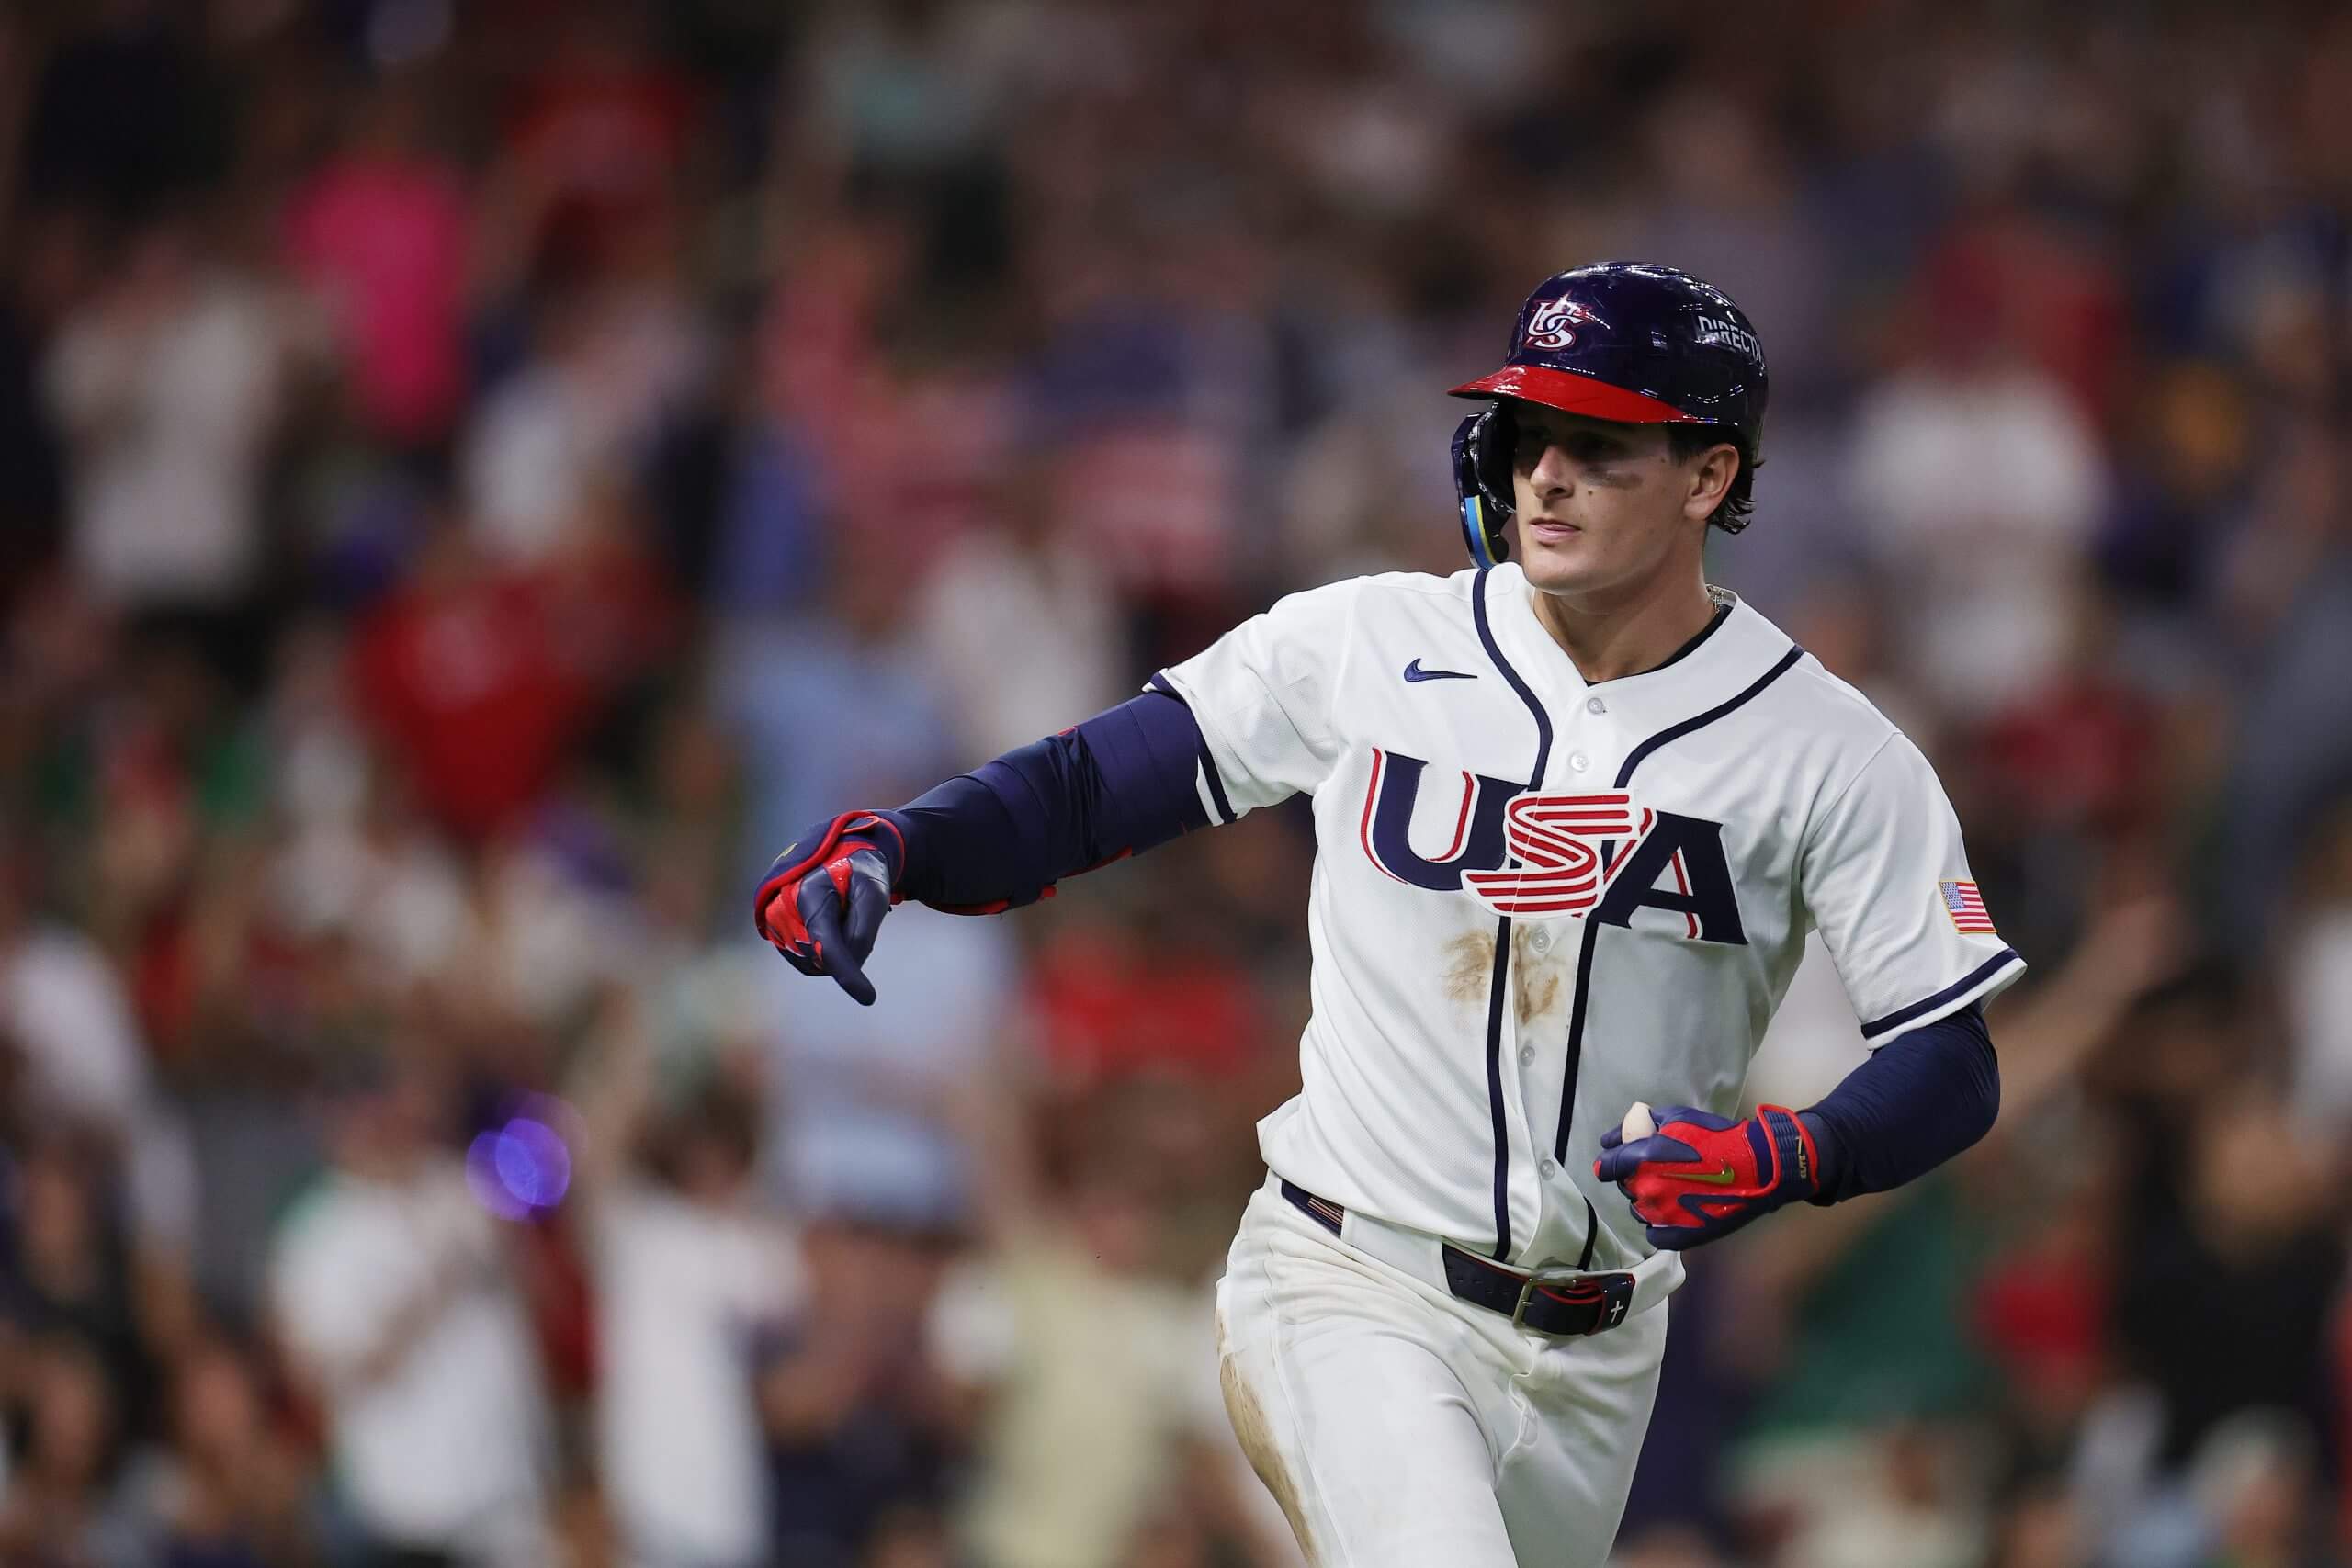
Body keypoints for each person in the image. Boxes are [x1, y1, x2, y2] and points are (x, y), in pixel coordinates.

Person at [752, 262, 2021, 1567]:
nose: (1546, 473)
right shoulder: (1370, 644)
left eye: (1599, 443)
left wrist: (1791, 1155)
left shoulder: (1831, 751)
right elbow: (1094, 782)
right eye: (1530, 430)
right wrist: (911, 842)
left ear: (1708, 478)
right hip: (1351, 1280)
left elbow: (1950, 1056)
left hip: (1599, 1350)